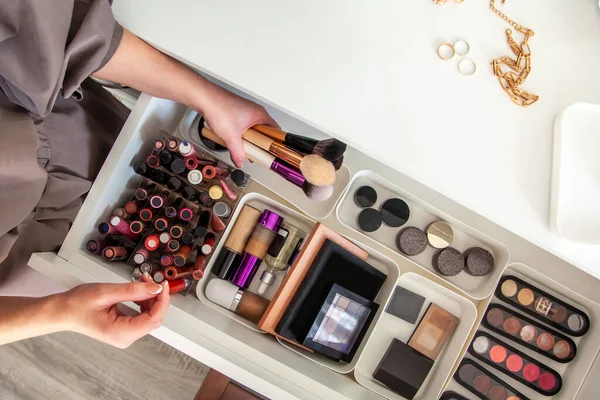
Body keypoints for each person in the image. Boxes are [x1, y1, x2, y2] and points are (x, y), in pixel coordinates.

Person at [0, 0, 278, 347]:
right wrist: (62, 312)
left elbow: (68, 34)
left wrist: (208, 97)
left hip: (72, 126)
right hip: (32, 258)